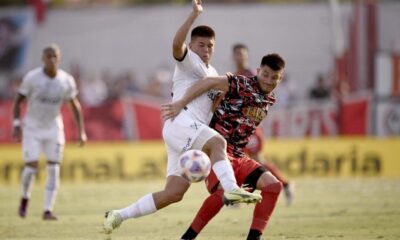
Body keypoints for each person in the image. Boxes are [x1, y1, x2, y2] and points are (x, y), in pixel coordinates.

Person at [103, 0, 262, 234]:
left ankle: (118, 215)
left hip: (186, 129)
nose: (206, 49)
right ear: (192, 45)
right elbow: (176, 44)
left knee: (173, 193)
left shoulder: (213, 73)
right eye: (201, 45)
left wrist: (218, 102)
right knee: (218, 142)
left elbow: (209, 108)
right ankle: (231, 188)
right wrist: (193, 16)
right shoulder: (189, 61)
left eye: (210, 46)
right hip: (181, 122)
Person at [164, 53, 285, 240]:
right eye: (265, 74)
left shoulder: (270, 98)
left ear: (280, 78)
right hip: (216, 150)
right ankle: (187, 238)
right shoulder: (241, 83)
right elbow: (209, 82)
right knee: (223, 193)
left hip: (239, 155)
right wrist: (181, 102)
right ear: (258, 71)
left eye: (274, 77)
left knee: (273, 186)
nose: (268, 81)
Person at [12, 44, 87, 220]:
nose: (52, 59)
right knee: (31, 168)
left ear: (59, 59)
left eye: (55, 56)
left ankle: (47, 210)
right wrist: (16, 124)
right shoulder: (32, 78)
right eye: (48, 56)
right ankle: (25, 198)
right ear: (43, 59)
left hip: (54, 127)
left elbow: (74, 105)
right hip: (32, 127)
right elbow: (18, 101)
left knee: (54, 168)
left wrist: (81, 131)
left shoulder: (66, 80)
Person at [232, 43, 294, 206]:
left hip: (250, 129)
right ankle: (235, 192)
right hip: (236, 128)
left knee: (255, 160)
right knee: (236, 158)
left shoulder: (254, 75)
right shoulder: (236, 75)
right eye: (237, 54)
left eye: (243, 54)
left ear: (247, 56)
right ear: (233, 56)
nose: (240, 57)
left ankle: (284, 184)